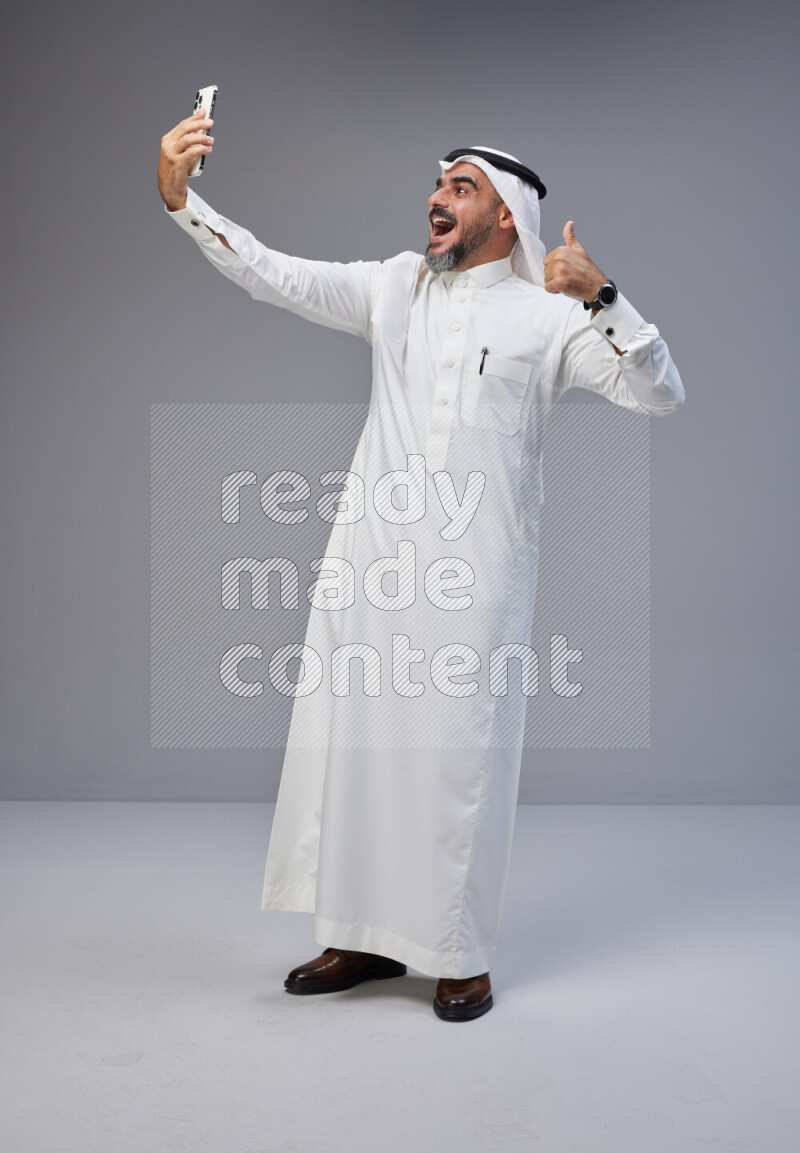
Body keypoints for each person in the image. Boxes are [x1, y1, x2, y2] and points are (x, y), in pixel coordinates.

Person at [158, 109, 685, 1022]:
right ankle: (360, 934)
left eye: (460, 187)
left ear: (505, 217)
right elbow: (271, 273)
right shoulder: (395, 287)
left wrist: (605, 297)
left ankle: (460, 954)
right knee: (358, 746)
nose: (437, 200)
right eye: (439, 184)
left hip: (475, 577)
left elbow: (659, 393)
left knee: (456, 760)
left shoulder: (550, 318)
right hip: (371, 561)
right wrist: (181, 200)